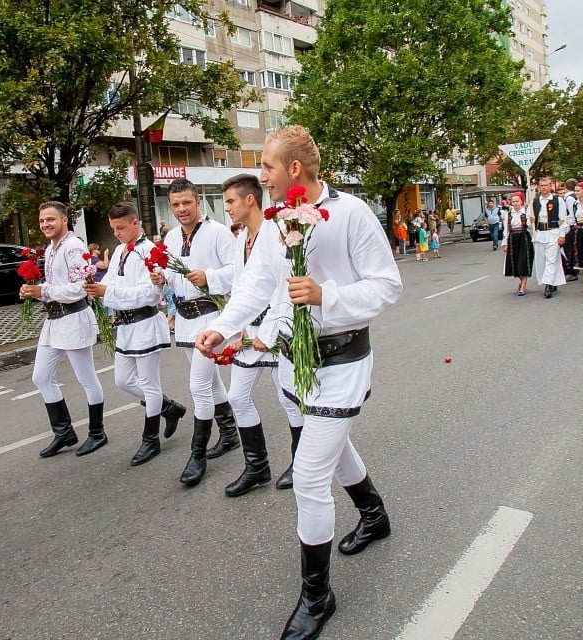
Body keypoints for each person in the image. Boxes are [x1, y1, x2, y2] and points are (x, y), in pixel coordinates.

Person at [196, 125, 402, 640]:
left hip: (342, 365)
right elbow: (256, 286)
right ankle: (374, 515)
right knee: (330, 448)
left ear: (292, 170)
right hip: (296, 366)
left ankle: (317, 596)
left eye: (265, 165)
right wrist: (221, 327)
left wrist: (326, 295)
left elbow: (387, 286)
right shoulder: (272, 224)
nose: (259, 173)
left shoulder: (351, 213)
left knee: (310, 476)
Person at [217, 174, 304, 496]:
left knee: (288, 398)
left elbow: (281, 288)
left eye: (230, 201)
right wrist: (234, 327)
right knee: (237, 396)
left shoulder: (277, 232)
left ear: (249, 199)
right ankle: (257, 467)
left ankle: (300, 461)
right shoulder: (241, 239)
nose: (226, 207)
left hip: (277, 329)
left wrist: (265, 334)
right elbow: (242, 288)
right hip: (249, 331)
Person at [83, 202, 187, 466]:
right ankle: (169, 408)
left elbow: (151, 295)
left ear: (134, 223)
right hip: (126, 327)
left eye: (120, 227)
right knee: (122, 380)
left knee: (149, 383)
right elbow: (112, 280)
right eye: (113, 228)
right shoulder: (119, 250)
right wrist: (98, 287)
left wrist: (110, 294)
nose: (116, 233)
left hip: (145, 323)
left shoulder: (150, 251)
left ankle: (150, 439)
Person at [155, 177, 237, 486]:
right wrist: (161, 279)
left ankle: (197, 454)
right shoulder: (172, 238)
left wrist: (210, 276)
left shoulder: (218, 233)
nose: (181, 209)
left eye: (186, 202)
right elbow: (173, 280)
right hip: (186, 321)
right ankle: (230, 433)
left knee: (199, 387)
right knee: (212, 383)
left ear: (198, 201)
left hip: (212, 318)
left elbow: (237, 272)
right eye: (175, 204)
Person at [19, 202, 108, 458]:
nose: (46, 224)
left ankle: (97, 432)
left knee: (86, 378)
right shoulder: (50, 248)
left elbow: (80, 288)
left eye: (51, 219)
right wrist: (33, 291)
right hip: (54, 321)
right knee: (41, 377)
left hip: (74, 318)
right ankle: (63, 432)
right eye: (42, 220)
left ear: (64, 220)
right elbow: (54, 285)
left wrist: (43, 290)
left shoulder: (74, 247)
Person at [530, 176, 569, 298]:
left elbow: (563, 219)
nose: (544, 188)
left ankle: (548, 285)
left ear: (550, 186)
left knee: (551, 259)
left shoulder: (558, 201)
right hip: (540, 233)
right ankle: (551, 281)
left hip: (553, 232)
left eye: (546, 185)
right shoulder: (535, 202)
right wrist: (530, 220)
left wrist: (562, 234)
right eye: (541, 186)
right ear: (538, 187)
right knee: (541, 260)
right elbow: (529, 220)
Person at [502, 191, 534, 296]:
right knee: (514, 262)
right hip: (513, 238)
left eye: (517, 201)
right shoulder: (508, 214)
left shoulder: (526, 213)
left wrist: (531, 221)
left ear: (522, 202)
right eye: (513, 201)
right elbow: (506, 229)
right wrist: (505, 243)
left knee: (523, 261)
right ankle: (521, 281)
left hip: (524, 238)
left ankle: (523, 286)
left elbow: (529, 226)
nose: (515, 203)